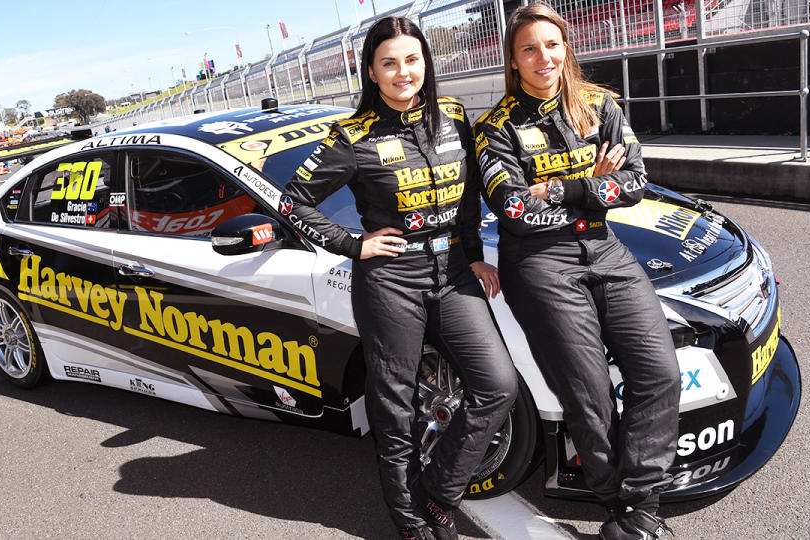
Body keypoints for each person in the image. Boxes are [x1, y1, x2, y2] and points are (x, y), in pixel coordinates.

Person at [280, 16, 518, 540]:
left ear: (426, 63)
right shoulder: (352, 135)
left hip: (454, 273)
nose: (402, 71)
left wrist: (476, 254)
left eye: (412, 59)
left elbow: (471, 193)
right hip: (389, 282)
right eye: (389, 63)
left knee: (497, 385)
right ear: (371, 71)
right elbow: (291, 200)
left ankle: (437, 493)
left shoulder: (453, 115)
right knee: (395, 410)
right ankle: (410, 524)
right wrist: (352, 244)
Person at [472, 4, 680, 540]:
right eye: (530, 49)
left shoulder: (599, 104)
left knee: (659, 372)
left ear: (567, 49)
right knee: (589, 396)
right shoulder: (494, 129)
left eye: (553, 45)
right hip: (539, 264)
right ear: (513, 61)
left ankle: (638, 503)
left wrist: (564, 189)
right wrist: (595, 184)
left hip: (604, 249)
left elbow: (635, 181)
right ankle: (627, 511)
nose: (545, 57)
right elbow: (516, 211)